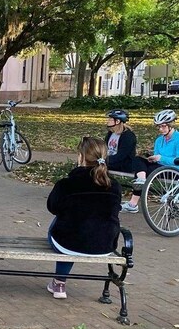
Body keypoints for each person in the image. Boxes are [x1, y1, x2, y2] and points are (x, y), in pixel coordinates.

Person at [46, 136, 121, 299]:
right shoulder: (114, 186)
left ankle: (59, 283)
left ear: (81, 157)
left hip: (69, 242)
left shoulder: (67, 184)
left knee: (64, 226)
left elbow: (52, 207)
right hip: (104, 244)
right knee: (75, 226)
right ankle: (59, 282)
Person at [121, 109, 179, 213]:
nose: (161, 129)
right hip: (159, 167)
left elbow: (177, 161)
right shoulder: (159, 140)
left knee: (143, 171)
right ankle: (141, 180)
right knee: (138, 160)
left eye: (163, 126)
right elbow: (157, 156)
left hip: (173, 170)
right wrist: (152, 158)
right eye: (159, 127)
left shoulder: (178, 139)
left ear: (171, 125)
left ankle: (133, 203)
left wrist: (160, 158)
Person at [104, 109, 138, 173]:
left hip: (122, 165)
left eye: (110, 119)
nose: (107, 121)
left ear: (117, 121)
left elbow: (121, 156)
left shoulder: (128, 136)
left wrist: (104, 160)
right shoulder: (110, 133)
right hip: (110, 161)